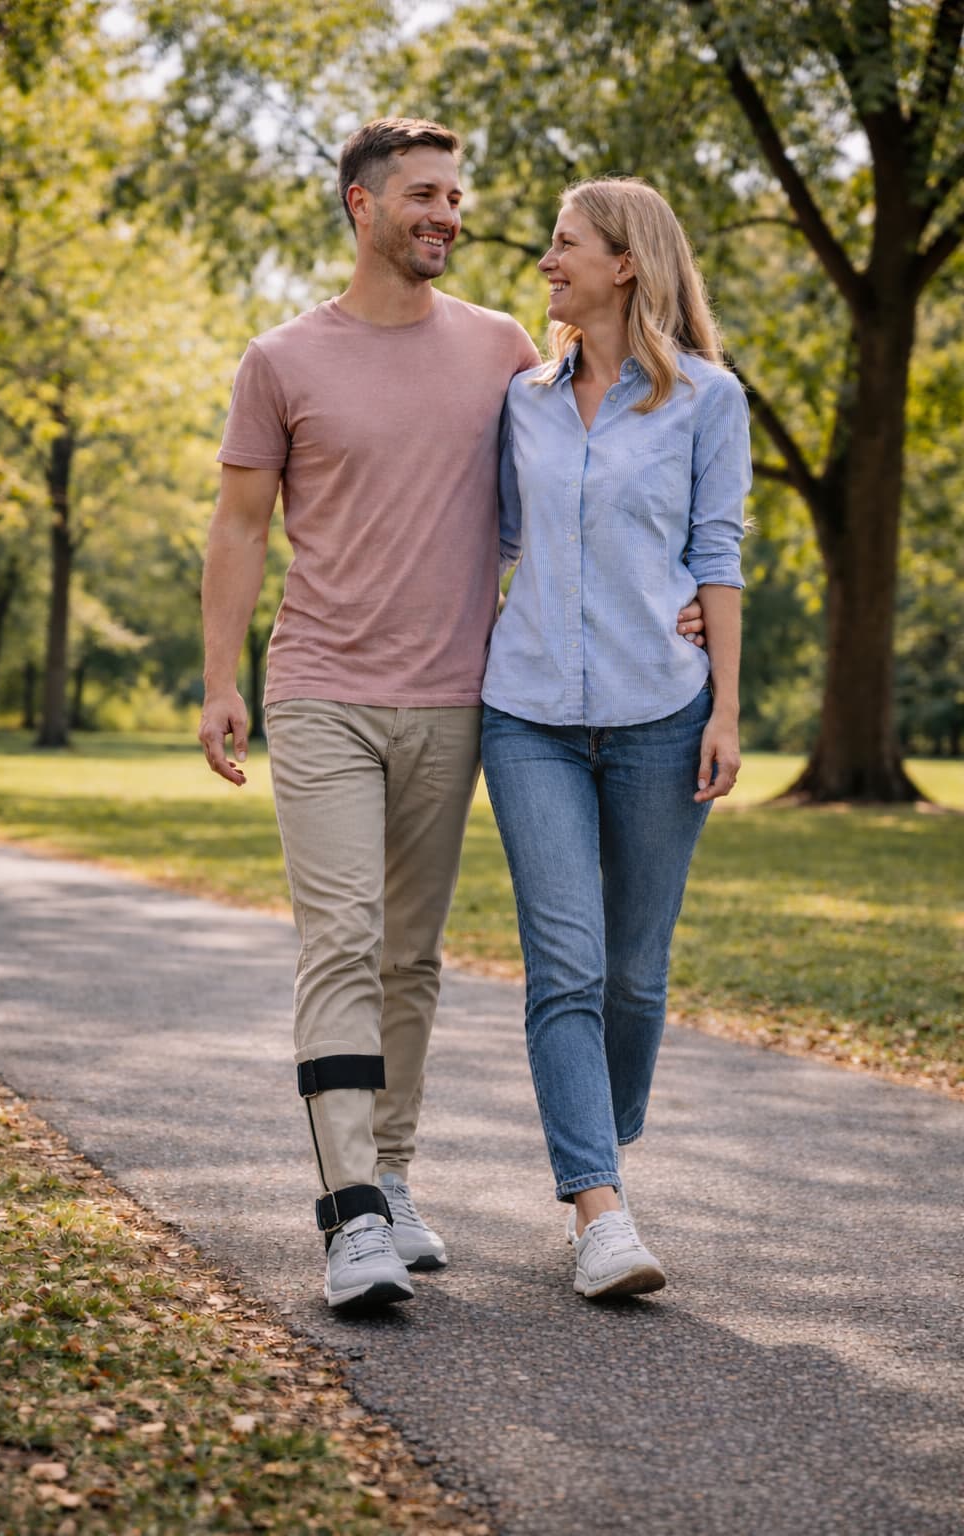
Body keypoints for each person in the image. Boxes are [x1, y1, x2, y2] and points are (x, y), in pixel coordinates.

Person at [199, 122, 705, 1311]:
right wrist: (219, 680)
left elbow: (594, 483)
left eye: (456, 196)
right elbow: (237, 528)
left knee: (409, 956)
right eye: (423, 194)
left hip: (459, 696)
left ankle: (394, 1175)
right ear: (359, 206)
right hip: (320, 688)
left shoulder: (505, 349)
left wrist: (676, 602)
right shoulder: (281, 357)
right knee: (339, 939)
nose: (449, 214)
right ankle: (350, 1219)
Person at [481, 176, 751, 1301]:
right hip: (528, 712)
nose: (546, 262)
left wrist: (726, 705)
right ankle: (597, 1206)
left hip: (659, 714)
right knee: (567, 969)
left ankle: (601, 1132)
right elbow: (489, 541)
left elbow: (717, 553)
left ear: (624, 264)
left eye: (564, 245)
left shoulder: (706, 399)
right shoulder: (521, 401)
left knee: (634, 979)